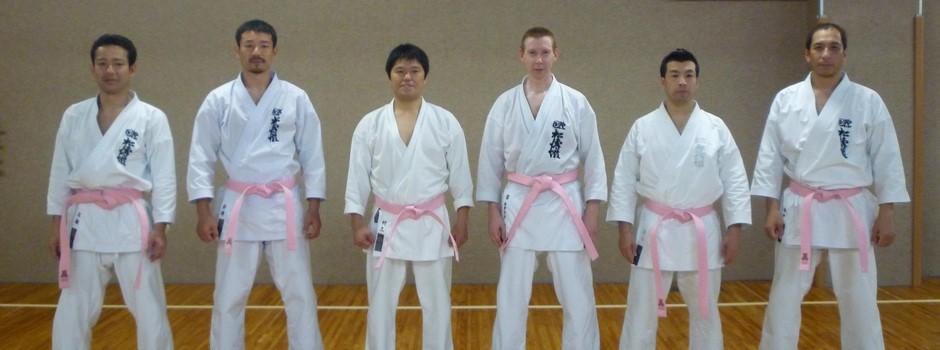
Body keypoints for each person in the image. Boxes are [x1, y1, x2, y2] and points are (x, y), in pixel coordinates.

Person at [752, 23, 909, 350]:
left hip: (851, 208)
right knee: (785, 293)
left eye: (834, 47)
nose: (826, 54)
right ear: (807, 53)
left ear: (845, 54)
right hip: (800, 205)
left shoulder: (868, 100)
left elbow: (887, 158)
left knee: (859, 296)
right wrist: (770, 209)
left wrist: (887, 212)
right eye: (819, 47)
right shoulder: (786, 99)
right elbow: (770, 156)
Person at [187, 19, 326, 349]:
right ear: (236, 50)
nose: (256, 52)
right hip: (239, 205)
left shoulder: (295, 98)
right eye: (249, 45)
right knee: (229, 295)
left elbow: (313, 154)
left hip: (284, 204)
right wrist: (203, 212)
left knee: (299, 293)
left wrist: (314, 206)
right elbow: (200, 158)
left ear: (274, 51)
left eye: (263, 45)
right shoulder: (218, 100)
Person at [607, 49, 751, 349]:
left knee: (705, 311)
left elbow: (735, 180)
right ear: (663, 81)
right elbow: (623, 179)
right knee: (641, 310)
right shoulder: (642, 127)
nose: (682, 81)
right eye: (675, 75)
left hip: (702, 228)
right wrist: (624, 228)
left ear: (697, 82)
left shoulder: (715, 128)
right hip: (654, 226)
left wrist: (734, 230)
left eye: (689, 75)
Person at [477, 26, 607, 350]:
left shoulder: (575, 102)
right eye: (532, 53)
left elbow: (593, 159)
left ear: (556, 54)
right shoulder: (505, 104)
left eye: (545, 52)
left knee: (577, 293)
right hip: (520, 200)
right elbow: (490, 162)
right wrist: (492, 211)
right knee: (511, 293)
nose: (539, 60)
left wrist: (593, 210)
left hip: (565, 203)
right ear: (521, 55)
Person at [47, 34, 176, 350]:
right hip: (85, 219)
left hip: (132, 221)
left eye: (118, 64)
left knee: (149, 307)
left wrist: (162, 226)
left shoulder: (151, 117)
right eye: (102, 63)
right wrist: (56, 225)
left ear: (132, 68)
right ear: (93, 69)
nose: (110, 70)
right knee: (73, 307)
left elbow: (165, 176)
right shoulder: (74, 115)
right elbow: (60, 172)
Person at [345, 43, 473, 350]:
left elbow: (461, 177)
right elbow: (357, 178)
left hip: (432, 223)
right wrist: (356, 222)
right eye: (400, 71)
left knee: (438, 303)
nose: (407, 77)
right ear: (389, 76)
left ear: (425, 77)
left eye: (415, 71)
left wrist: (462, 219)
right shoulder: (370, 124)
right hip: (387, 221)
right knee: (380, 304)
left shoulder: (445, 122)